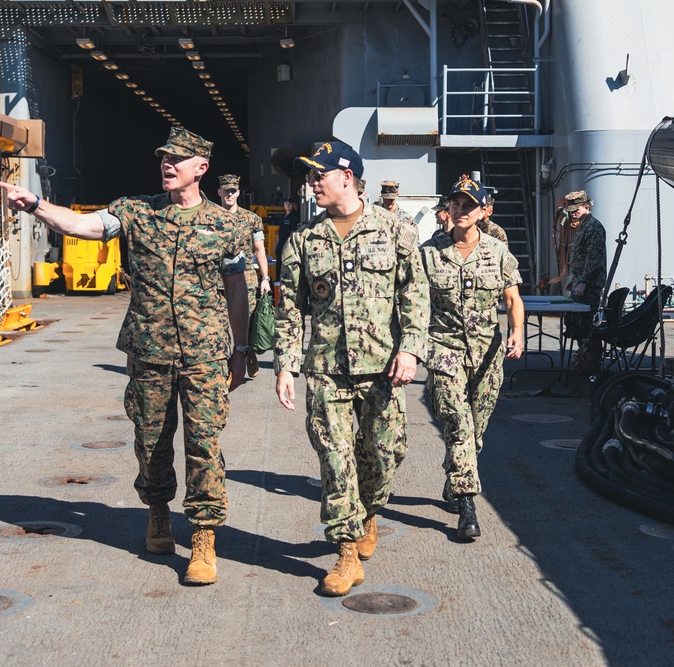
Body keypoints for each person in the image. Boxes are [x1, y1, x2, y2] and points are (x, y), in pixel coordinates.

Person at [0, 127, 249, 586]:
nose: (167, 165)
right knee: (150, 442)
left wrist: (242, 347)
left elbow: (236, 288)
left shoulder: (231, 225)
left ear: (201, 168)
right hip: (149, 350)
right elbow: (82, 225)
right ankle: (157, 514)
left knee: (204, 443)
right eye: (163, 158)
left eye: (177, 159)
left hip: (205, 354)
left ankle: (204, 538)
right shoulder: (135, 212)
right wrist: (35, 205)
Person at [275, 141, 430, 596]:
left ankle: (369, 512)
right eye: (310, 175)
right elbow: (289, 312)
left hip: (384, 367)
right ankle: (345, 552)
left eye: (319, 174)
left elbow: (415, 296)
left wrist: (411, 349)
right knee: (334, 460)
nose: (312, 182)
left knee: (385, 455)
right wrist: (286, 366)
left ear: (347, 176)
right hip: (326, 370)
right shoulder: (304, 239)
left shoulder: (396, 231)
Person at [419, 174, 524, 540]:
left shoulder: (497, 252)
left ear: (482, 212)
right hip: (444, 349)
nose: (461, 210)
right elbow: (414, 303)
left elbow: (512, 300)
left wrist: (517, 332)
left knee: (474, 430)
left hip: (487, 353)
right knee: (458, 425)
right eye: (456, 204)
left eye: (469, 205)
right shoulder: (429, 252)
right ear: (448, 208)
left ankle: (455, 474)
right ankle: (467, 506)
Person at [218, 174, 271, 378]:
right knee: (219, 324)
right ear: (219, 192)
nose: (229, 194)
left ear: (238, 193)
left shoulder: (251, 219)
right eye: (226, 190)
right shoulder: (210, 217)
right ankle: (223, 366)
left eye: (233, 191)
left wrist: (265, 278)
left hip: (245, 279)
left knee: (245, 323)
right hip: (217, 280)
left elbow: (259, 250)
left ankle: (248, 354)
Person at [559, 190, 607, 372]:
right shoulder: (582, 226)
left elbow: (594, 259)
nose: (572, 214)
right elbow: (582, 257)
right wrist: (575, 278)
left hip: (590, 287)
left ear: (587, 207)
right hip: (582, 283)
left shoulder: (593, 227)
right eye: (570, 211)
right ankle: (584, 360)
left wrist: (584, 281)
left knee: (588, 327)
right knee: (578, 325)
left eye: (576, 210)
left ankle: (591, 366)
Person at [274, 196, 300, 261]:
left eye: (289, 204)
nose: (287, 205)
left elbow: (293, 232)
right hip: (280, 243)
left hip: (287, 243)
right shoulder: (283, 216)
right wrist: (276, 244)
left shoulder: (294, 216)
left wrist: (289, 245)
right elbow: (279, 231)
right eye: (286, 203)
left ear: (293, 204)